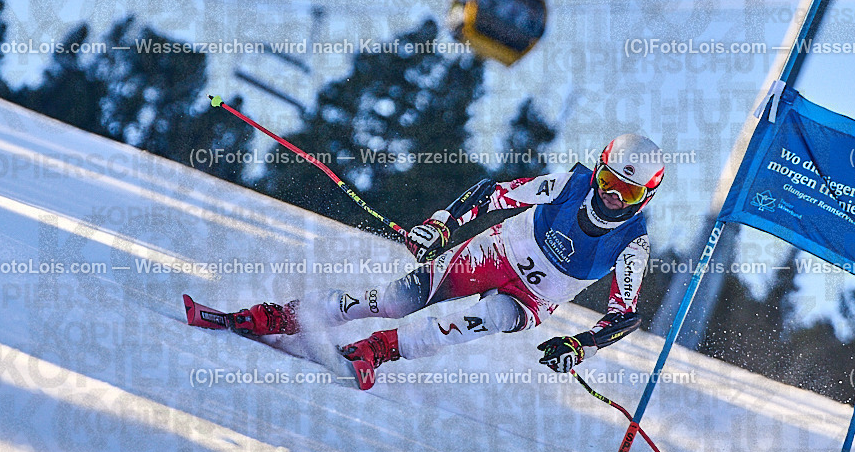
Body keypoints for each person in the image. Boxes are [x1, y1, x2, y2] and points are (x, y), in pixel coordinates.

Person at [230, 134, 664, 390]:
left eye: (627, 192)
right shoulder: (573, 184)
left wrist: (581, 345)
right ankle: (284, 316)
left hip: (532, 299)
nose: (611, 196)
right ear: (599, 169)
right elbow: (493, 193)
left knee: (476, 321)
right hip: (497, 253)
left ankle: (375, 351)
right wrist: (442, 223)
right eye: (608, 181)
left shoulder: (633, 244)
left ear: (646, 197)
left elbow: (623, 315)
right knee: (395, 300)